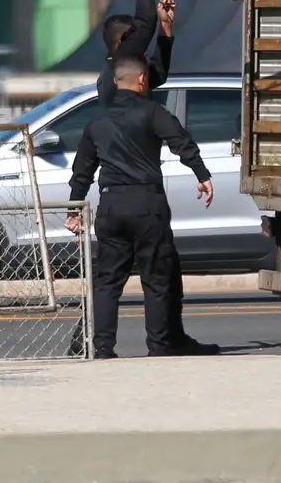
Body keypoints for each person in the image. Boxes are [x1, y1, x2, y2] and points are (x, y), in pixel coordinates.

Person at [66, 54, 219, 358]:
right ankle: (159, 345)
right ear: (141, 79)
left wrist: (73, 210)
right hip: (147, 204)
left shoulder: (97, 122)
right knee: (156, 279)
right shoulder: (152, 112)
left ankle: (103, 348)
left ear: (114, 82)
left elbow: (82, 170)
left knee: (107, 281)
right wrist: (201, 174)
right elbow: (180, 141)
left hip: (111, 204)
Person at [98, 0, 176, 108]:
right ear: (123, 41)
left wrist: (165, 26)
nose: (143, 48)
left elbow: (159, 73)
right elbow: (146, 20)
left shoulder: (127, 71)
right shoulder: (119, 64)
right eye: (135, 36)